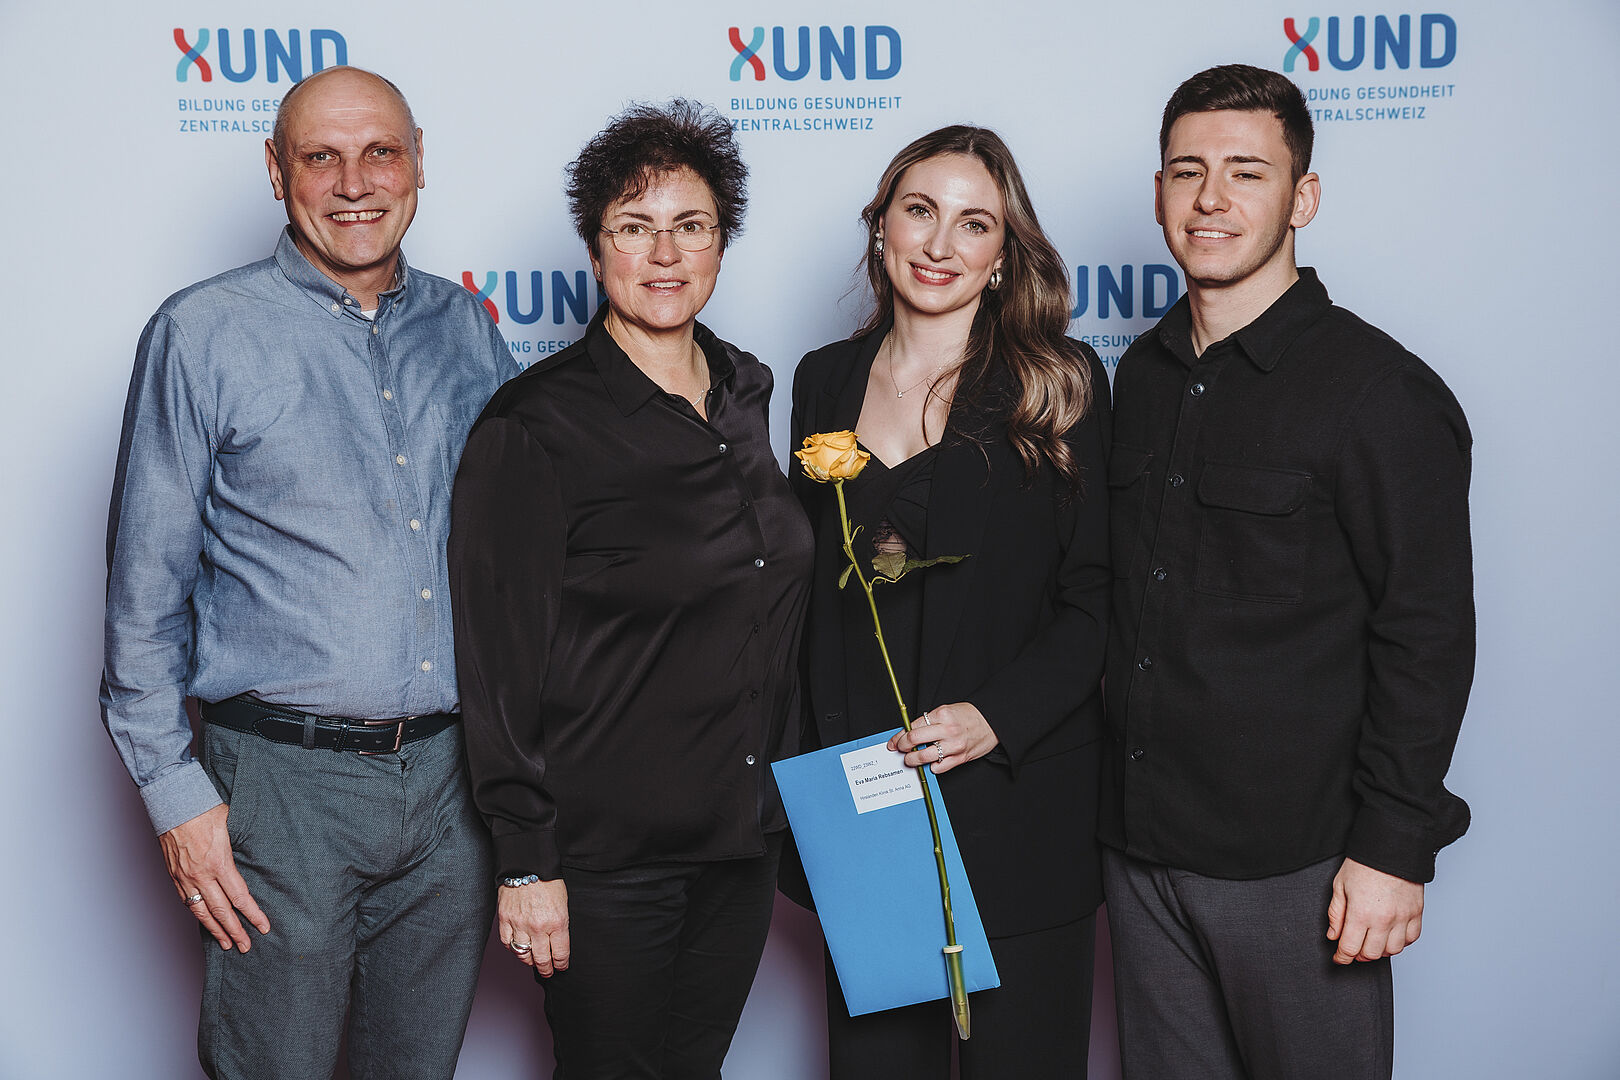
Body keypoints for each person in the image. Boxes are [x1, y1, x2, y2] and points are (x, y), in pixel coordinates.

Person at [100, 66, 517, 1078]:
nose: (354, 183)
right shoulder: (201, 334)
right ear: (276, 170)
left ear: (418, 161)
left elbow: (524, 555)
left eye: (380, 152)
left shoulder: (467, 330)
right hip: (281, 788)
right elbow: (142, 598)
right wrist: (175, 795)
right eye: (320, 157)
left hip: (454, 790)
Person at [1102, 64, 1475, 1079]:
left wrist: (1394, 846)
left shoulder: (1381, 393)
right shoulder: (1140, 375)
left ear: (1302, 198)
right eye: (1188, 172)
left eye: (1247, 172)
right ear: (1159, 195)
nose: (1211, 199)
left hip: (1298, 867)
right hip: (1138, 854)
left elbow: (1428, 632)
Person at [448, 99, 813, 1079]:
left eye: (691, 225)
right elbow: (495, 669)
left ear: (721, 243)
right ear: (595, 247)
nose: (664, 254)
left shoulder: (747, 388)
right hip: (607, 857)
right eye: (634, 227)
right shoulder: (535, 425)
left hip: (741, 840)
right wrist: (527, 861)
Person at [790, 126, 1110, 1078]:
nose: (939, 245)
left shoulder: (1060, 383)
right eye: (919, 212)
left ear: (1003, 254)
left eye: (974, 224)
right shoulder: (822, 380)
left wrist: (996, 716)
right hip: (870, 811)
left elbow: (1098, 599)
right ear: (881, 226)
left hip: (1017, 805)